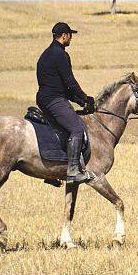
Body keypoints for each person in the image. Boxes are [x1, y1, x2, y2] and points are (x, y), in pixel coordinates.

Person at [36, 22, 95, 183]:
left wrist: (81, 101)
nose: (71, 38)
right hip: (54, 99)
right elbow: (70, 82)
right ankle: (73, 170)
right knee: (77, 128)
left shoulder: (46, 54)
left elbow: (62, 87)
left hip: (44, 98)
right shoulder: (60, 54)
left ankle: (53, 172)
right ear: (64, 36)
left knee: (62, 130)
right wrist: (85, 98)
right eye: (70, 35)